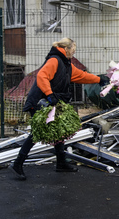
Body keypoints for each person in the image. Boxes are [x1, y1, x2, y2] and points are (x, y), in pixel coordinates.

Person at [10, 38, 108, 180]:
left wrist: (100, 79)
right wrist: (50, 95)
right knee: (38, 132)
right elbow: (41, 76)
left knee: (58, 130)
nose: (73, 54)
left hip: (51, 100)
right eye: (72, 51)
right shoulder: (55, 60)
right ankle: (17, 164)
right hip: (40, 101)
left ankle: (61, 163)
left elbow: (81, 75)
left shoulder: (66, 64)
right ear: (66, 49)